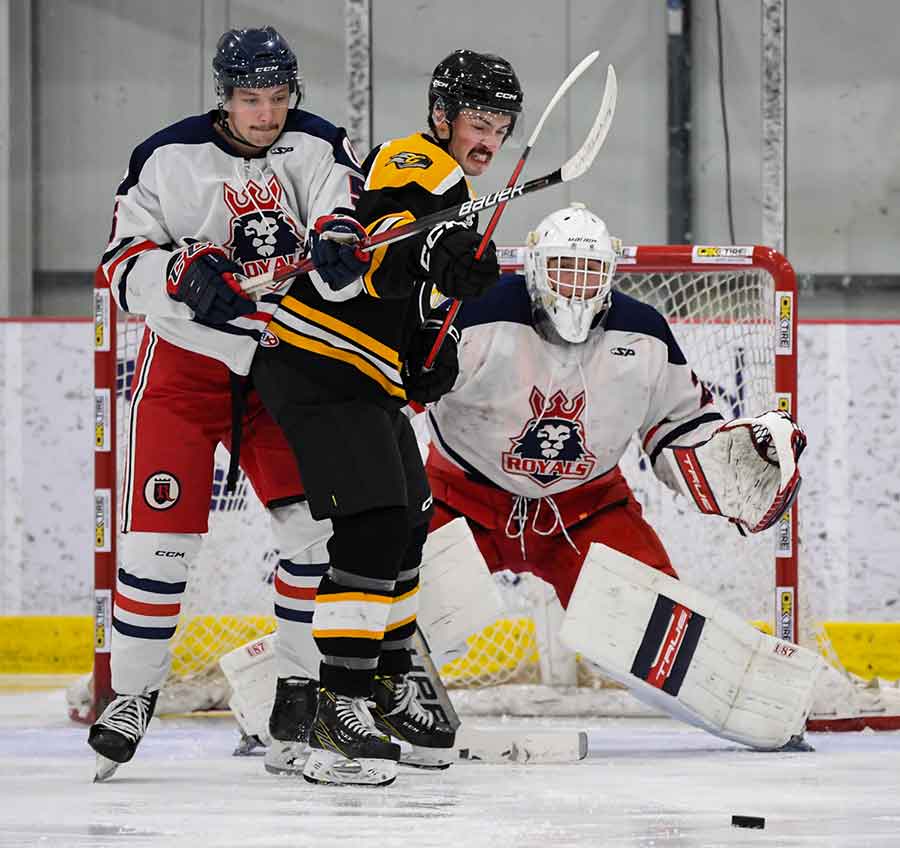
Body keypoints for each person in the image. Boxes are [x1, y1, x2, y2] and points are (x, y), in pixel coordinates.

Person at [87, 26, 368, 781]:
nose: (266, 113)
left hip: (281, 370)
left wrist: (340, 250)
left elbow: (344, 224)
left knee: (314, 534)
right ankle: (131, 695)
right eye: (251, 99)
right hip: (185, 372)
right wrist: (177, 274)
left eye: (278, 97)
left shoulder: (319, 146)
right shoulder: (166, 156)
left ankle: (297, 696)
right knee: (158, 546)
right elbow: (121, 265)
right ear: (224, 96)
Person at [249, 49, 524, 786]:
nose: (490, 138)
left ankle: (385, 682)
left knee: (408, 521)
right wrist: (442, 249)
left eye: (502, 126)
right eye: (479, 121)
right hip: (314, 360)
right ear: (441, 116)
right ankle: (337, 705)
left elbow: (411, 292)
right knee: (371, 524)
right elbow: (394, 224)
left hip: (362, 375)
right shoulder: (416, 158)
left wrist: (431, 350)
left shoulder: (457, 188)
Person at [425, 202, 804, 608]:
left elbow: (679, 423)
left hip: (586, 511)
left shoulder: (643, 332)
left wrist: (728, 463)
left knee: (657, 628)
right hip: (458, 500)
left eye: (590, 270)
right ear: (535, 267)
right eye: (563, 267)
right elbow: (395, 398)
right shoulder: (475, 312)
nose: (576, 284)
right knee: (394, 606)